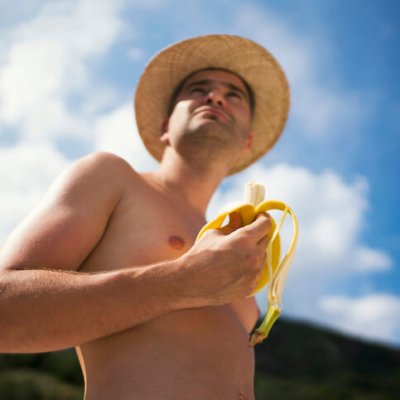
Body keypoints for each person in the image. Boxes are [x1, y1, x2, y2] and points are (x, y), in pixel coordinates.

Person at [0, 34, 290, 399]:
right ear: (165, 126)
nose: (216, 97)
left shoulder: (236, 254)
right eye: (199, 89)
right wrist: (185, 279)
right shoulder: (111, 178)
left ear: (247, 141)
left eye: (234, 95)